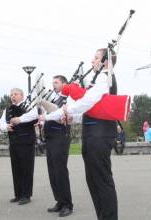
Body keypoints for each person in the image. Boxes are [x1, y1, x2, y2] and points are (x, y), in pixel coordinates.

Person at [42, 48, 119, 220]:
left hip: (99, 135)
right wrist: (71, 116)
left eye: (96, 57)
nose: (92, 61)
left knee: (102, 181)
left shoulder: (105, 77)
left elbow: (87, 101)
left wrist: (61, 111)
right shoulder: (99, 79)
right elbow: (89, 109)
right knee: (93, 182)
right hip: (92, 134)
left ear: (106, 61)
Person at [10, 75, 74, 217]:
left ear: (64, 84)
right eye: (53, 82)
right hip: (50, 138)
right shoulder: (55, 98)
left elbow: (63, 115)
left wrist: (45, 108)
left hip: (60, 137)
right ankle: (60, 201)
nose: (53, 85)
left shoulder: (68, 98)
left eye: (56, 82)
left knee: (60, 172)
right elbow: (45, 115)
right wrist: (42, 122)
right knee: (53, 172)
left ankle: (68, 204)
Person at [0, 88, 37, 205]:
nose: (12, 96)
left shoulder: (29, 105)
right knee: (16, 169)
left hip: (26, 142)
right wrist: (6, 127)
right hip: (14, 141)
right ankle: (18, 194)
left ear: (22, 96)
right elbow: (1, 122)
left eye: (15, 94)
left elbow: (34, 115)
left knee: (26, 169)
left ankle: (26, 195)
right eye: (11, 94)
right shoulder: (8, 109)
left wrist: (19, 119)